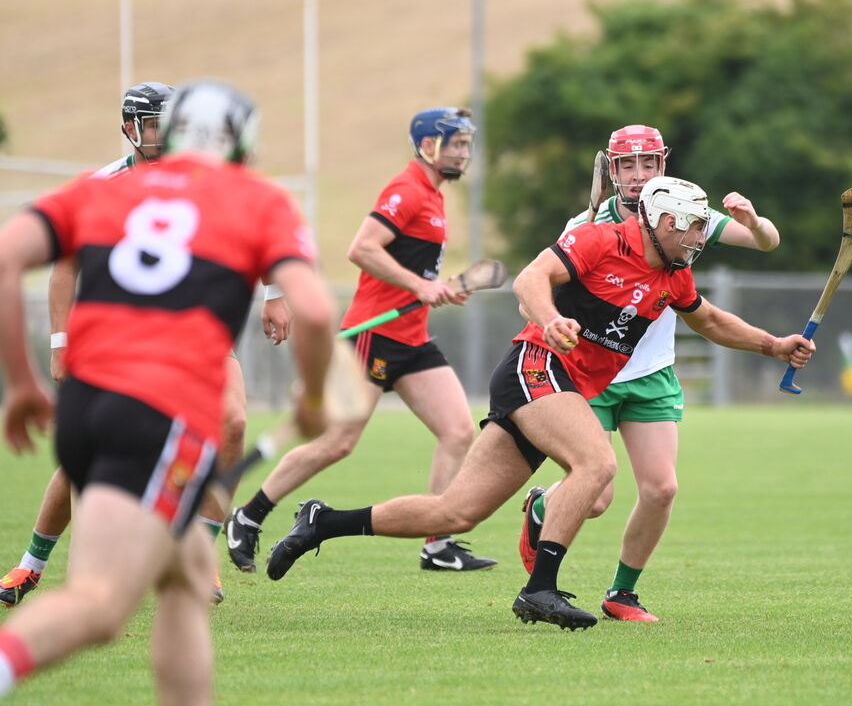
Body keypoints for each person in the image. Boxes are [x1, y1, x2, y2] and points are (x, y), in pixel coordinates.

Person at [260, 176, 814, 631]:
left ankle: (322, 521)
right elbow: (530, 279)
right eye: (693, 226)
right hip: (536, 366)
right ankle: (539, 591)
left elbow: (710, 320)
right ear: (664, 221)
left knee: (456, 512)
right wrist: (550, 319)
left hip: (561, 387)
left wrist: (772, 345)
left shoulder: (675, 274)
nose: (698, 237)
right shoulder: (601, 241)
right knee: (596, 465)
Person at [0, 79, 334, 702]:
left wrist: (23, 380)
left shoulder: (104, 194)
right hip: (159, 404)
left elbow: (8, 256)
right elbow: (315, 312)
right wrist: (313, 398)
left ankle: (194, 555)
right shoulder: (255, 198)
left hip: (89, 402)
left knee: (182, 579)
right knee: (100, 606)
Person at [517, 125, 780, 622]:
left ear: (663, 164)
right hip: (591, 374)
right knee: (596, 497)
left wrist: (755, 220)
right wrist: (555, 324)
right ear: (612, 171)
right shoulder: (585, 224)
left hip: (652, 373)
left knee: (662, 490)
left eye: (648, 164)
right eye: (627, 165)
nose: (638, 175)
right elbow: (544, 285)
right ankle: (541, 506)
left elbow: (765, 243)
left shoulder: (684, 209)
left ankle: (622, 594)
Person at [223, 107, 496, 575]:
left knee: (458, 431)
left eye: (467, 144)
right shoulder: (406, 189)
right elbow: (362, 248)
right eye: (456, 143)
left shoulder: (434, 195)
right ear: (428, 144)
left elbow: (414, 269)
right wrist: (418, 286)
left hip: (412, 339)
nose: (463, 152)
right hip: (374, 334)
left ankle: (437, 543)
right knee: (338, 441)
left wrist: (438, 286)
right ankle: (248, 516)